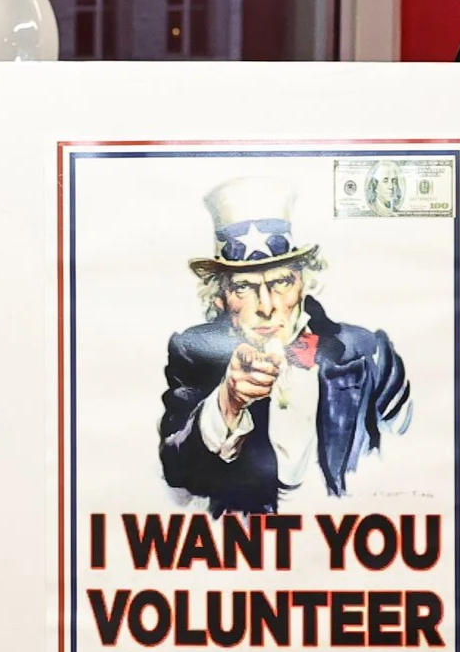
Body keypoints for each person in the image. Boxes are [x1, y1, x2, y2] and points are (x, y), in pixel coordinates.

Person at [160, 177, 410, 514]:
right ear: (220, 298)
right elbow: (178, 471)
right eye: (244, 288)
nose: (266, 305)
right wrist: (228, 402)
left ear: (303, 283)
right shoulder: (193, 352)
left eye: (280, 282)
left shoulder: (368, 353)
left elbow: (410, 460)